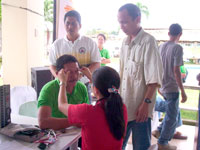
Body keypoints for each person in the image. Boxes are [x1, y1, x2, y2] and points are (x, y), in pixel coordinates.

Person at [117, 3, 163, 150]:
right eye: (119, 22)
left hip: (140, 109)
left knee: (141, 147)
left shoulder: (148, 42)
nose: (122, 26)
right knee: (117, 145)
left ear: (137, 19)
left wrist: (146, 104)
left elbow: (154, 79)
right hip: (124, 106)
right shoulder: (125, 43)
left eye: (125, 22)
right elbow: (122, 74)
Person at [57, 66, 128, 150]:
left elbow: (61, 105)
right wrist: (93, 78)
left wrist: (62, 82)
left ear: (95, 89)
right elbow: (107, 89)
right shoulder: (121, 108)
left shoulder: (87, 112)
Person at [49, 10, 101, 103]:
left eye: (74, 23)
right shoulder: (57, 44)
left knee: (84, 113)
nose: (70, 27)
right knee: (63, 112)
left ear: (80, 25)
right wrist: (59, 78)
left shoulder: (89, 42)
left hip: (83, 85)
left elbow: (97, 63)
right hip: (63, 86)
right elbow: (52, 65)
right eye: (67, 23)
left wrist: (81, 75)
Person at [152, 23, 187, 150]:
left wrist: (158, 86)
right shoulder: (177, 48)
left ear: (168, 33)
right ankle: (163, 142)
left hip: (163, 85)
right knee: (172, 116)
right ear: (180, 34)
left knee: (173, 112)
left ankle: (159, 130)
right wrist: (182, 91)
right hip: (172, 87)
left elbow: (156, 67)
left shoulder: (161, 47)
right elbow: (176, 70)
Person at [37, 55, 89, 130]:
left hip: (77, 134)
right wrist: (74, 122)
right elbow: (43, 122)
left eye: (76, 71)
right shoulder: (49, 89)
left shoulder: (81, 87)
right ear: (58, 74)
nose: (74, 76)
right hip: (56, 134)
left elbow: (86, 116)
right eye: (69, 72)